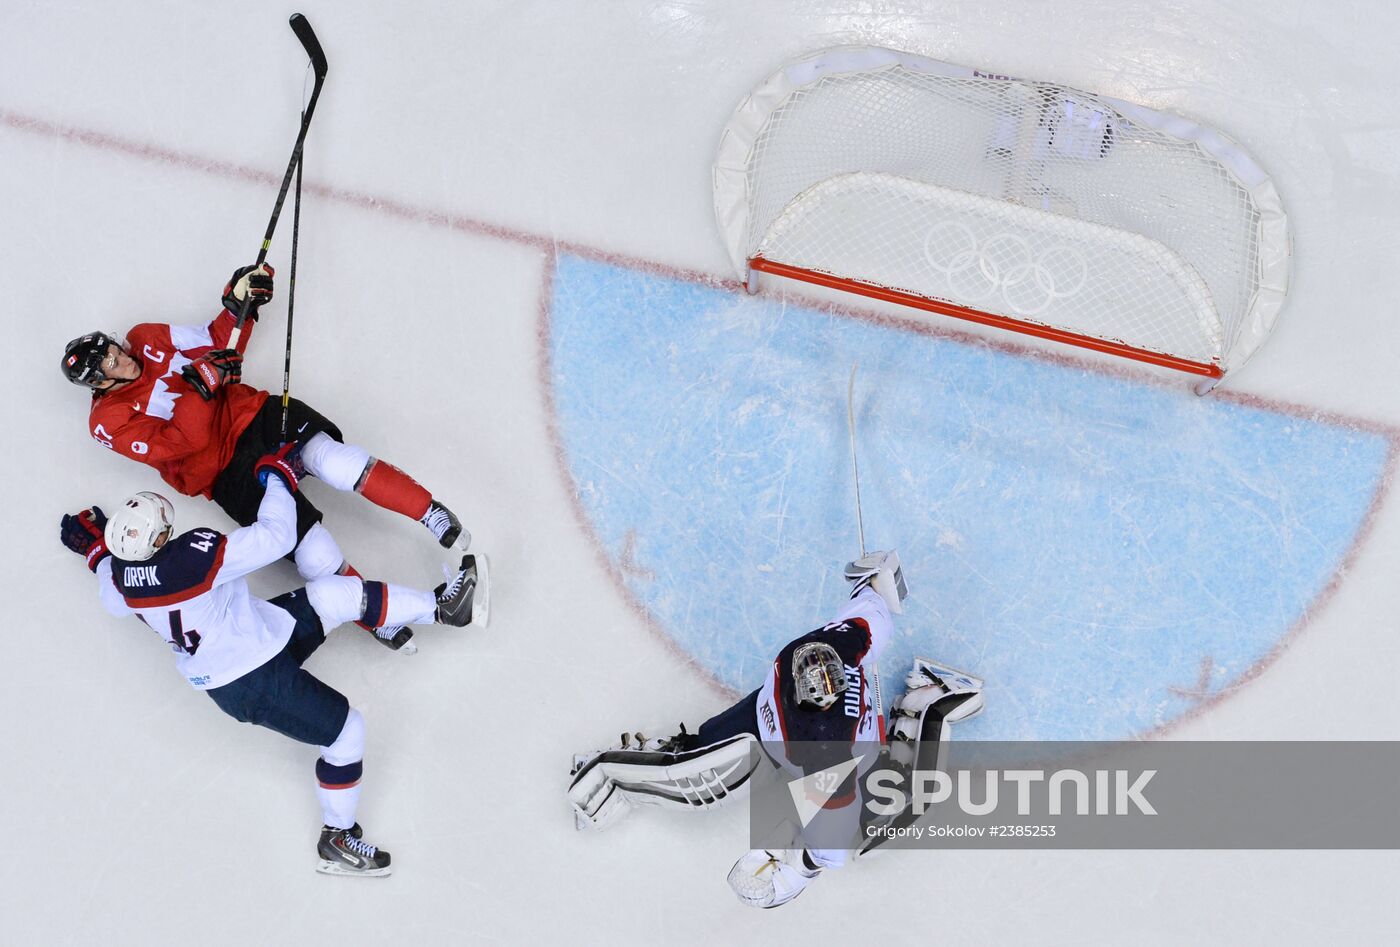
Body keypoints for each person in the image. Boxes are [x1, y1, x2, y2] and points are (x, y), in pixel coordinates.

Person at [59, 441, 488, 876]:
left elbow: (110, 589)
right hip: (248, 679)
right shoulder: (188, 560)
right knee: (346, 733)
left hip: (253, 639)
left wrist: (95, 550)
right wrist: (279, 477)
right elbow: (275, 536)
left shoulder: (120, 578)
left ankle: (444, 609)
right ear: (156, 540)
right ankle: (337, 838)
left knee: (331, 595)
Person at [60, 263, 470, 649]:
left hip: (252, 414)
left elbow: (214, 340)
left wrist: (239, 304)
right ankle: (380, 619)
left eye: (114, 347)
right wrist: (201, 385)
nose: (123, 356)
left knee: (337, 461)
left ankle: (430, 513)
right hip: (222, 473)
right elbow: (185, 441)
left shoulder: (146, 337)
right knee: (315, 554)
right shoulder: (107, 423)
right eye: (112, 361)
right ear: (99, 380)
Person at [567, 551, 984, 908]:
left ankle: (931, 704)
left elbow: (870, 612)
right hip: (778, 732)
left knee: (878, 818)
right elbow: (827, 848)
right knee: (697, 770)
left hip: (779, 724)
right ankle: (611, 773)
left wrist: (874, 581)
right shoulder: (830, 691)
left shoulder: (817, 668)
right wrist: (792, 873)